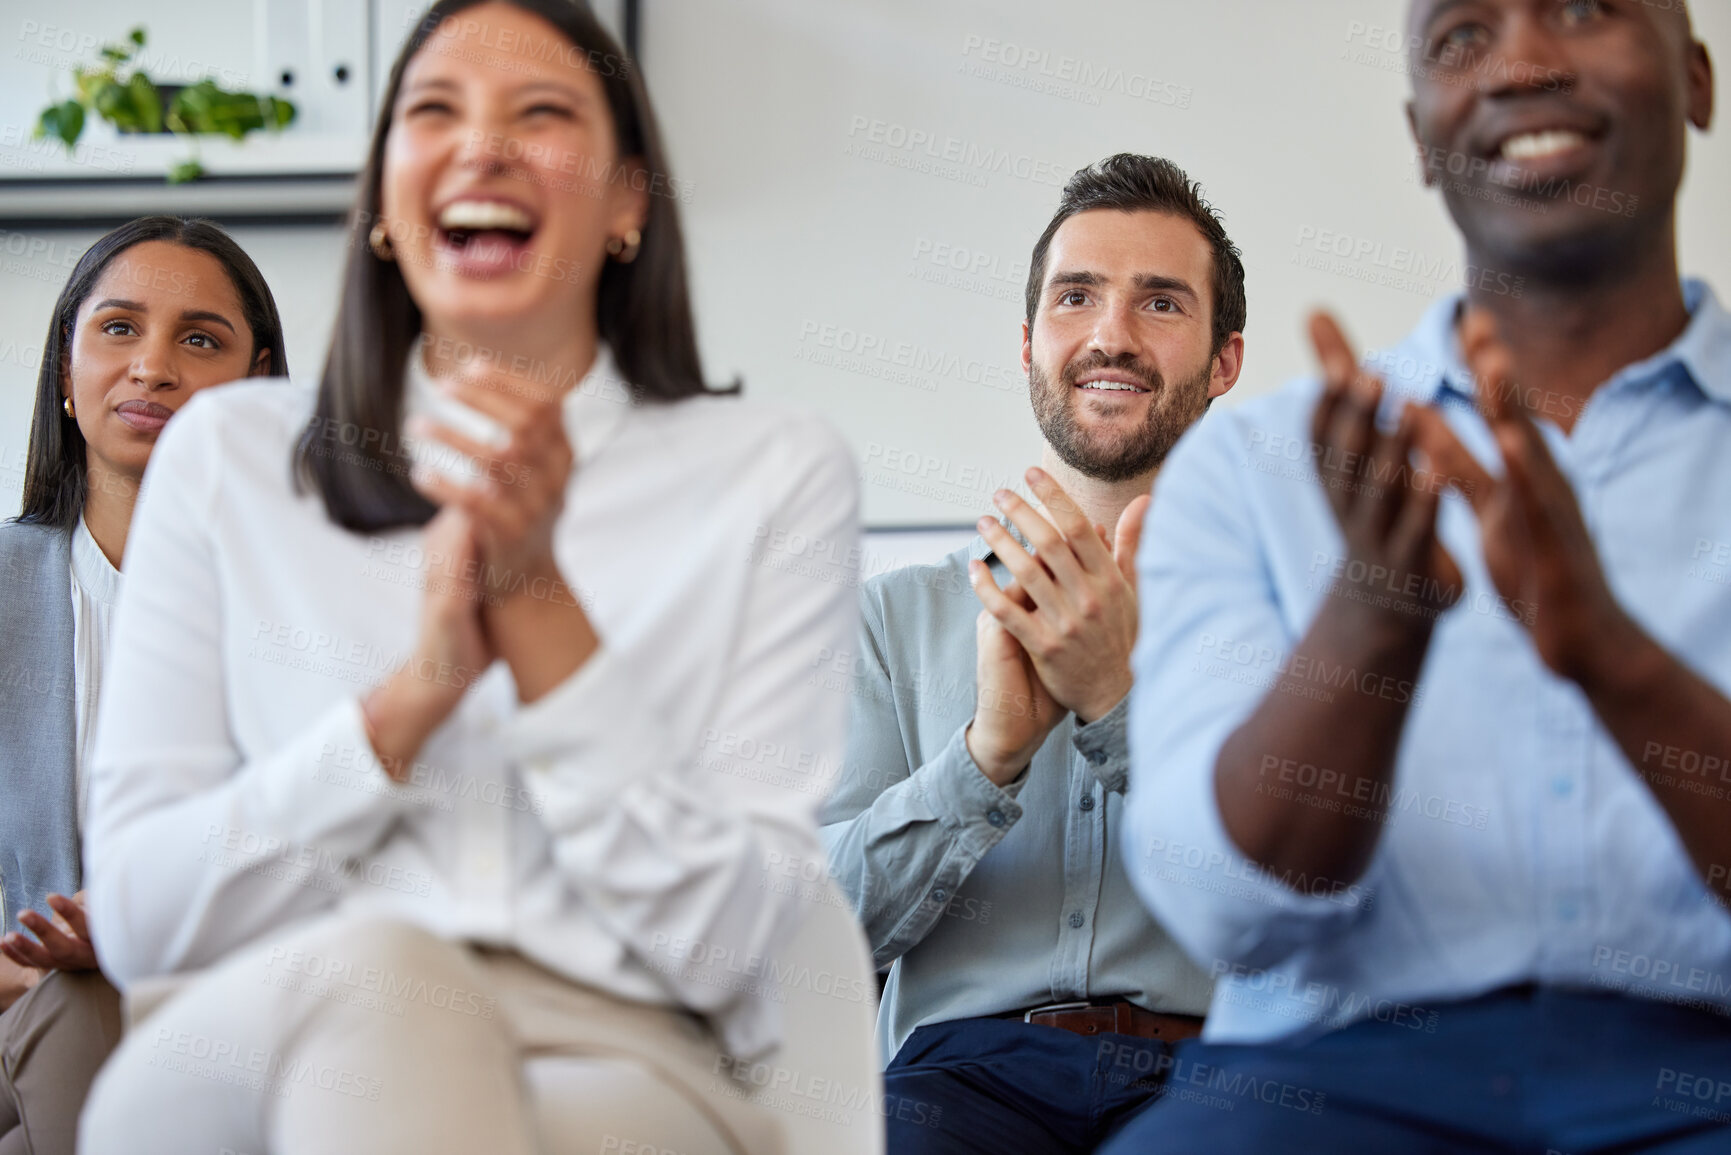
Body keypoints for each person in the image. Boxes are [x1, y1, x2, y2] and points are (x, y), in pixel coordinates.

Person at [75, 3, 857, 1154]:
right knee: (388, 976)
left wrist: (539, 605)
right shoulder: (229, 457)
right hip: (247, 1037)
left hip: (619, 1050)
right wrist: (409, 704)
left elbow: (729, 945)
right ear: (386, 205)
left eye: (541, 113)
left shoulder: (773, 475)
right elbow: (143, 918)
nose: (482, 147)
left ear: (630, 202)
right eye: (434, 112)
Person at [1108, 1, 1730, 1151]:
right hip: (1322, 1088)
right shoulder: (1255, 466)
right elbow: (1216, 908)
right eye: (1461, 38)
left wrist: (1611, 658)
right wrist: (1372, 625)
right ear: (1422, 131)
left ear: (1696, 80)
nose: (1523, 66)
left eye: (1586, 10)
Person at [822, 154, 1246, 1154]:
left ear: (1225, 359)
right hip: (954, 1088)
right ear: (1028, 343)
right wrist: (984, 760)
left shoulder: (1291, 627)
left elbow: (1319, 914)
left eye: (1161, 302)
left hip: (1221, 1083)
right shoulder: (889, 620)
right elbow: (808, 937)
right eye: (1077, 296)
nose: (1111, 334)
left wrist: (1117, 705)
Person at [0, 215, 287, 1155]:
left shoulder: (313, 610)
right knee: (75, 1005)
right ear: (66, 379)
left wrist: (139, 941)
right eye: (118, 328)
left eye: (200, 339)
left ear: (257, 384)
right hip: (18, 1010)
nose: (153, 367)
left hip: (233, 1007)